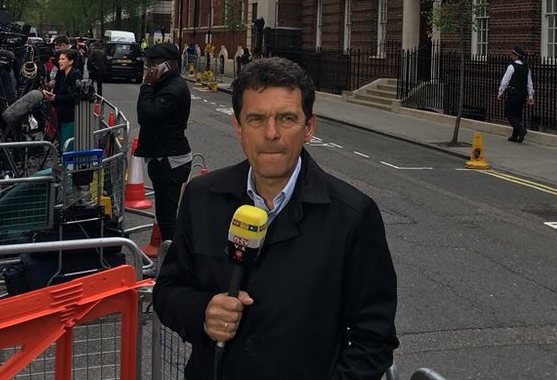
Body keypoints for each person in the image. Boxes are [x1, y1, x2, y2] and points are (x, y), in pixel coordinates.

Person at [154, 57, 398, 379]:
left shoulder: (352, 215)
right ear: (238, 128)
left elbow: (373, 339)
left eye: (286, 118)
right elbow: (168, 291)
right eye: (256, 119)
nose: (271, 134)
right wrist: (203, 312)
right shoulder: (202, 197)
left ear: (308, 128)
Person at [135, 41, 192, 242]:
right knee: (164, 213)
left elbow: (146, 115)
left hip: (170, 160)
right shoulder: (165, 83)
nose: (149, 68)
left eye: (154, 63)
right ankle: (171, 251)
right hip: (163, 156)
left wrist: (147, 85)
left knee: (167, 217)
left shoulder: (174, 89)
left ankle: (175, 255)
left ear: (169, 64)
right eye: (148, 63)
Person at [42, 48, 82, 149]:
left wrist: (56, 98)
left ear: (71, 61)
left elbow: (74, 96)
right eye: (60, 59)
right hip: (62, 115)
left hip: (70, 116)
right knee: (63, 142)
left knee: (67, 144)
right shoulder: (63, 74)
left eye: (63, 59)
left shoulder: (75, 75)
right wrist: (52, 96)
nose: (59, 61)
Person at [498, 47, 534, 143]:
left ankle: (521, 130)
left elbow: (505, 81)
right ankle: (515, 136)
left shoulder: (511, 67)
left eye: (512, 54)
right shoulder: (526, 68)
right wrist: (530, 96)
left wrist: (500, 92)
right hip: (523, 94)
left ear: (517, 56)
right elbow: (529, 83)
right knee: (517, 115)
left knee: (509, 114)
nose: (511, 56)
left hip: (514, 93)